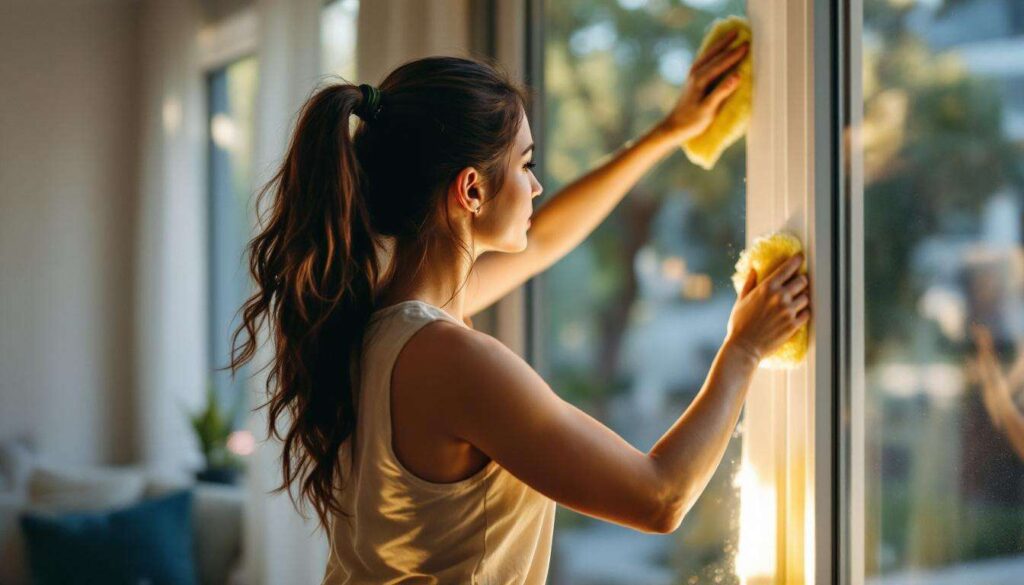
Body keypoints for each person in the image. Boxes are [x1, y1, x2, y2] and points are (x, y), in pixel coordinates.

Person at [228, 29, 810, 585]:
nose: (535, 188)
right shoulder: (449, 357)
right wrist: (744, 348)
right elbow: (659, 497)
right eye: (526, 165)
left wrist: (669, 131)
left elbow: (549, 238)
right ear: (472, 190)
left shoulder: (377, 321)